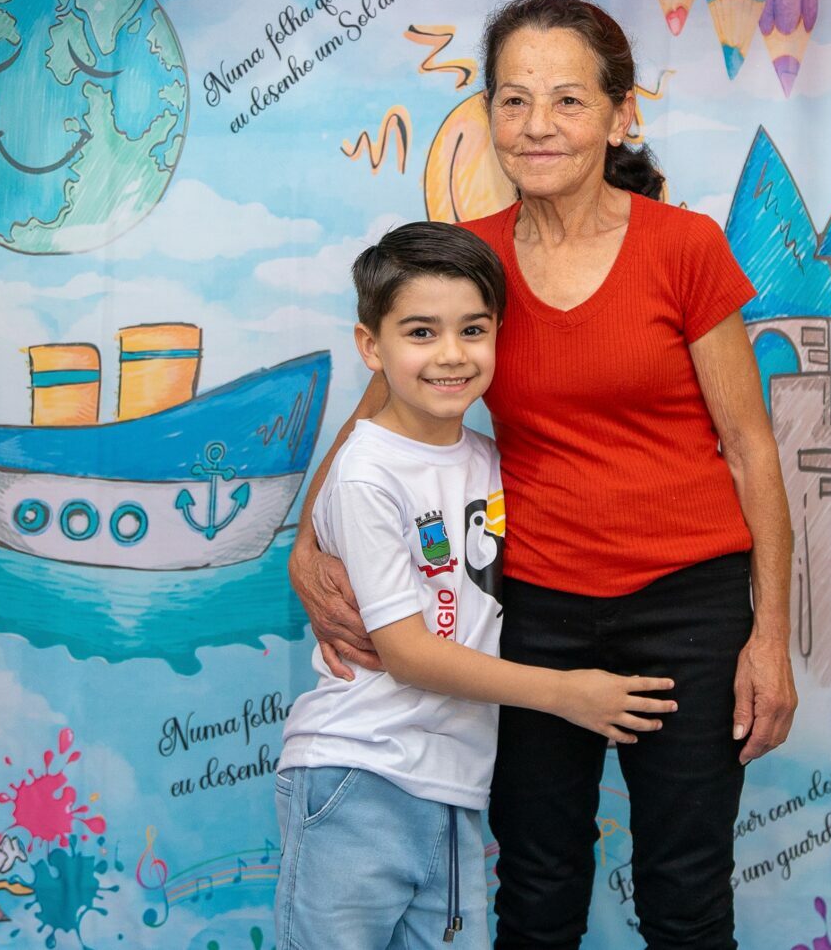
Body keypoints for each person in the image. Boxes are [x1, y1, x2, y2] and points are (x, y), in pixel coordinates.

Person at [291, 0, 797, 949]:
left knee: (687, 894)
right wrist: (303, 548)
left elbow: (752, 446)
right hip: (530, 613)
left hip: (690, 608)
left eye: (568, 99)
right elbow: (376, 420)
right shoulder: (468, 261)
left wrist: (771, 638)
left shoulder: (685, 246)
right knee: (534, 885)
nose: (537, 125)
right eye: (515, 100)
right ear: (489, 114)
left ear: (619, 114)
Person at [276, 221, 679, 950]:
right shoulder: (366, 474)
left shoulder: (490, 459)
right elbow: (407, 653)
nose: (452, 354)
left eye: (473, 330)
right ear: (371, 346)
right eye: (421, 332)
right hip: (360, 770)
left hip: (455, 786)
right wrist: (568, 693)